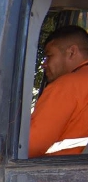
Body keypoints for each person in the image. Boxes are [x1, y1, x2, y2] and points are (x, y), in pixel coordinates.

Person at [29, 25, 88, 157]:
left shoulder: (67, 86)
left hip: (62, 175)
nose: (44, 64)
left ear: (72, 52)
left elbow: (31, 146)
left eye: (49, 56)